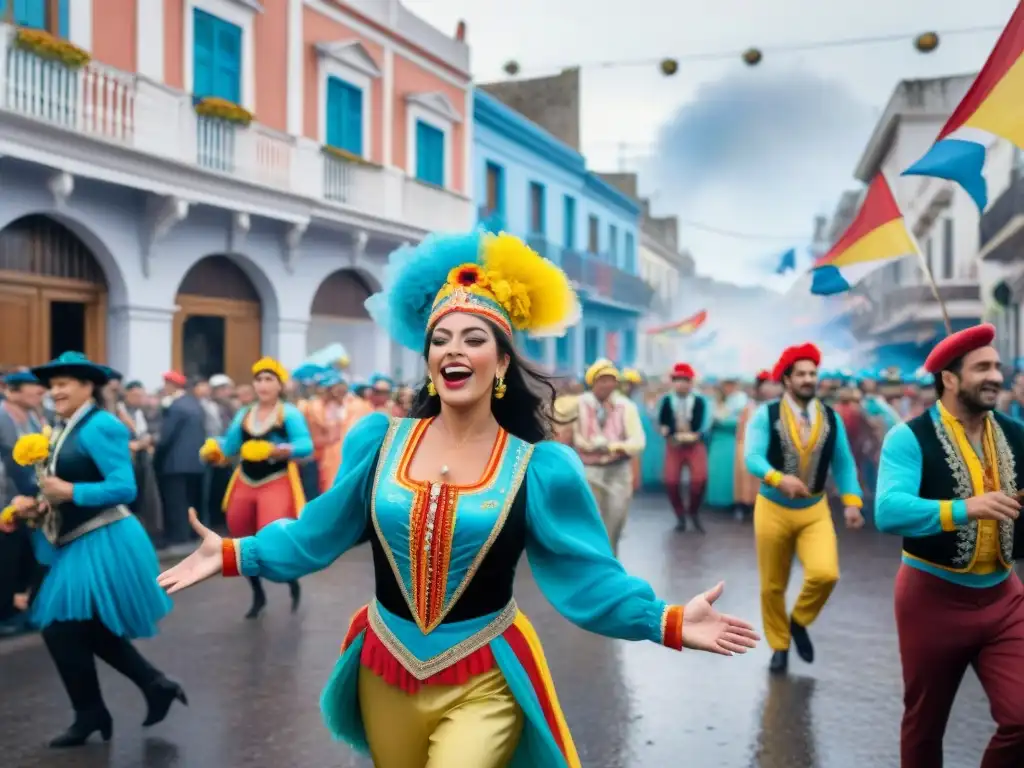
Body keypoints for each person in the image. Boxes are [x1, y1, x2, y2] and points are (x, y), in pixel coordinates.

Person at [159, 231, 759, 768]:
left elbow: (588, 576)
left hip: (485, 675)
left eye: (474, 339)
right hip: (384, 665)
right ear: (427, 361)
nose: (453, 350)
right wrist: (235, 555)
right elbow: (317, 532)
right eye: (440, 339)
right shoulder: (380, 442)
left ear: (500, 362)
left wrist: (666, 620)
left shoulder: (538, 467)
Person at [0, 352, 184, 747]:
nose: (56, 390)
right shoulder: (61, 426)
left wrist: (70, 491)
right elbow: (62, 483)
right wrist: (35, 504)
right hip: (74, 537)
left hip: (105, 536)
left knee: (60, 628)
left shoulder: (102, 426)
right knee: (86, 629)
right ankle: (152, 686)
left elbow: (124, 487)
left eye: (66, 383)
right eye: (53, 384)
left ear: (88, 386)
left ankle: (93, 712)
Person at [875, 324, 1024, 768]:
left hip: (1005, 598)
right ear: (950, 378)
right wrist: (963, 509)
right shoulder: (908, 437)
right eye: (982, 368)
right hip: (930, 599)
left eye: (996, 366)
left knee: (1021, 718)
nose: (995, 376)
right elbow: (888, 510)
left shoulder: (1017, 434)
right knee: (925, 725)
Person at [743, 343, 865, 674]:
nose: (809, 379)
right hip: (773, 507)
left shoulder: (830, 417)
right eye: (802, 374)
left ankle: (798, 621)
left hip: (815, 509)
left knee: (826, 573)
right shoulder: (765, 415)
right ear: (786, 379)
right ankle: (779, 646)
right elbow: (752, 457)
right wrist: (777, 478)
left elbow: (843, 463)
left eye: (813, 373)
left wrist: (852, 501)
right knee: (772, 585)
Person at [201, 357, 313, 619]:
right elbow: (229, 448)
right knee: (239, 540)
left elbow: (306, 446)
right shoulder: (244, 413)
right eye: (259, 379)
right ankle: (257, 593)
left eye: (268, 379)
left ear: (279, 385)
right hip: (245, 481)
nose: (262, 384)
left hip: (276, 480)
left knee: (270, 537)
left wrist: (276, 450)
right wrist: (213, 450)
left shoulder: (289, 413)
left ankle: (290, 578)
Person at [572, 359, 646, 554]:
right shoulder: (579, 404)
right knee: (590, 525)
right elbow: (575, 436)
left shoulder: (626, 406)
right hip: (589, 472)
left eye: (611, 380)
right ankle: (592, 569)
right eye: (601, 380)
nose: (607, 384)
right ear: (592, 382)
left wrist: (612, 447)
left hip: (618, 472)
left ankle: (609, 566)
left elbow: (638, 441)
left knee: (615, 522)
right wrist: (588, 445)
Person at [658, 362, 712, 533]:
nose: (681, 384)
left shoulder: (700, 400)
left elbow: (706, 422)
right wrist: (667, 433)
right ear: (672, 382)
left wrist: (699, 434)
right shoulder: (666, 400)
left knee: (699, 480)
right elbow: (661, 421)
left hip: (695, 444)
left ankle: (693, 511)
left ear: (691, 382)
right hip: (674, 445)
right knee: (671, 481)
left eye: (685, 380)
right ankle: (680, 515)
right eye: (677, 380)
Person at [733, 370, 773, 523]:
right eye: (766, 385)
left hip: (768, 447)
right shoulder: (749, 406)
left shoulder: (778, 406)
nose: (770, 389)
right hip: (747, 445)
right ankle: (743, 505)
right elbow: (741, 429)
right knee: (745, 476)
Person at [706, 377, 748, 510]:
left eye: (731, 384)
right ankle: (716, 500)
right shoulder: (715, 400)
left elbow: (742, 420)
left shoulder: (741, 399)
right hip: (717, 440)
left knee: (731, 470)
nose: (729, 387)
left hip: (733, 440)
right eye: (726, 384)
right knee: (716, 469)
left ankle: (732, 500)